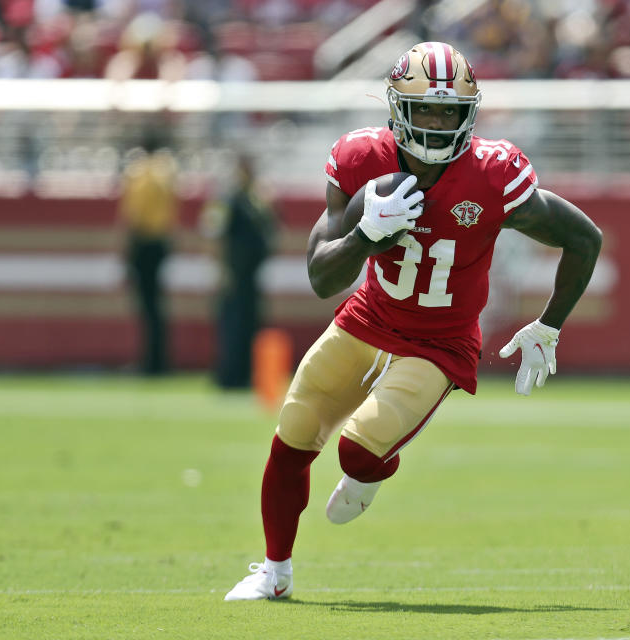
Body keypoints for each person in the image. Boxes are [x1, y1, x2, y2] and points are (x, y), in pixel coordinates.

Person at [224, 41, 602, 600]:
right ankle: (274, 573)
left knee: (358, 452)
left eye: (448, 110)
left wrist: (550, 323)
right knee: (293, 436)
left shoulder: (492, 174)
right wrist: (362, 235)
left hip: (440, 342)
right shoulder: (360, 161)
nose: (435, 120)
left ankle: (375, 467)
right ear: (397, 107)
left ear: (467, 114)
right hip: (368, 317)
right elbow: (322, 277)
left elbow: (583, 238)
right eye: (424, 107)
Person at [201, 155, 277, 389]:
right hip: (233, 273)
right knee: (232, 325)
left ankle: (246, 375)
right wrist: (221, 269)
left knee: (250, 324)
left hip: (251, 276)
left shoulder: (258, 199)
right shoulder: (228, 199)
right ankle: (229, 375)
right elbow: (214, 232)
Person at [117, 127, 179, 375]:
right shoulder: (168, 171)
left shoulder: (139, 172)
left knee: (147, 305)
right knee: (157, 305)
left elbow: (134, 215)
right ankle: (159, 359)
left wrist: (125, 246)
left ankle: (150, 362)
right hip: (162, 241)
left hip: (143, 242)